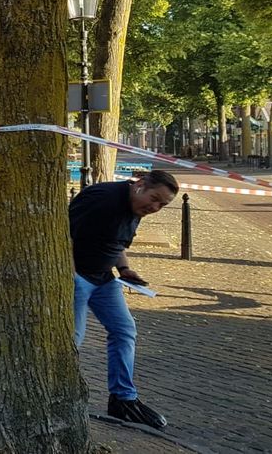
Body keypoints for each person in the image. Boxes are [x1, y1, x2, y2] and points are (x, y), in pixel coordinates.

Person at [70, 169, 178, 429]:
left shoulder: (136, 207)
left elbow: (116, 242)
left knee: (124, 330)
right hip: (79, 277)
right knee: (72, 338)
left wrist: (124, 269)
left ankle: (123, 399)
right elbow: (63, 234)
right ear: (140, 184)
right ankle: (59, 392)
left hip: (105, 279)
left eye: (162, 205)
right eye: (154, 199)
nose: (155, 207)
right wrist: (68, 276)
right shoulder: (102, 198)